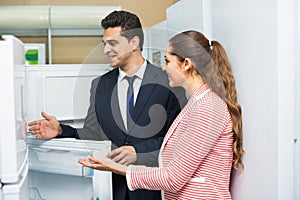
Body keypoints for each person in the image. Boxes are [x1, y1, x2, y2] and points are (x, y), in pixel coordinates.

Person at [28, 10, 187, 200]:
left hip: (153, 190)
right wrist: (62, 130)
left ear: (134, 42)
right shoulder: (100, 85)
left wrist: (139, 153)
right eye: (104, 44)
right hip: (112, 190)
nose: (105, 51)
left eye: (113, 43)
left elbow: (178, 140)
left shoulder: (167, 81)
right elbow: (92, 133)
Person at [78, 30, 245, 200]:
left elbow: (173, 178)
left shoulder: (208, 108)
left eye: (167, 61)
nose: (164, 67)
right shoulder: (195, 105)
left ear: (186, 64)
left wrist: (117, 167)